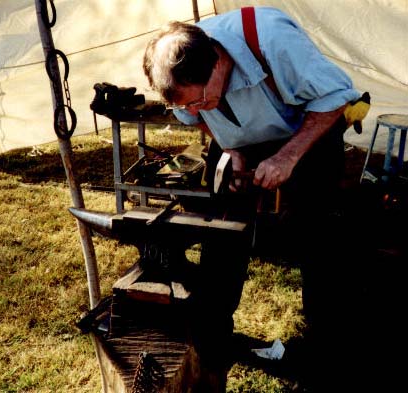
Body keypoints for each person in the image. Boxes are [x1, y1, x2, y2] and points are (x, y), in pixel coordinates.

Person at [143, 6, 363, 392]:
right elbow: (201, 117)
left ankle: (326, 348)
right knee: (222, 238)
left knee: (318, 239)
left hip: (305, 132)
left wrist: (287, 157)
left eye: (200, 101)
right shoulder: (189, 79)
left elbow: (336, 97)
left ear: (218, 63)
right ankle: (212, 343)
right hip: (244, 145)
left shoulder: (271, 38)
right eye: (184, 107)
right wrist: (230, 147)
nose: (192, 113)